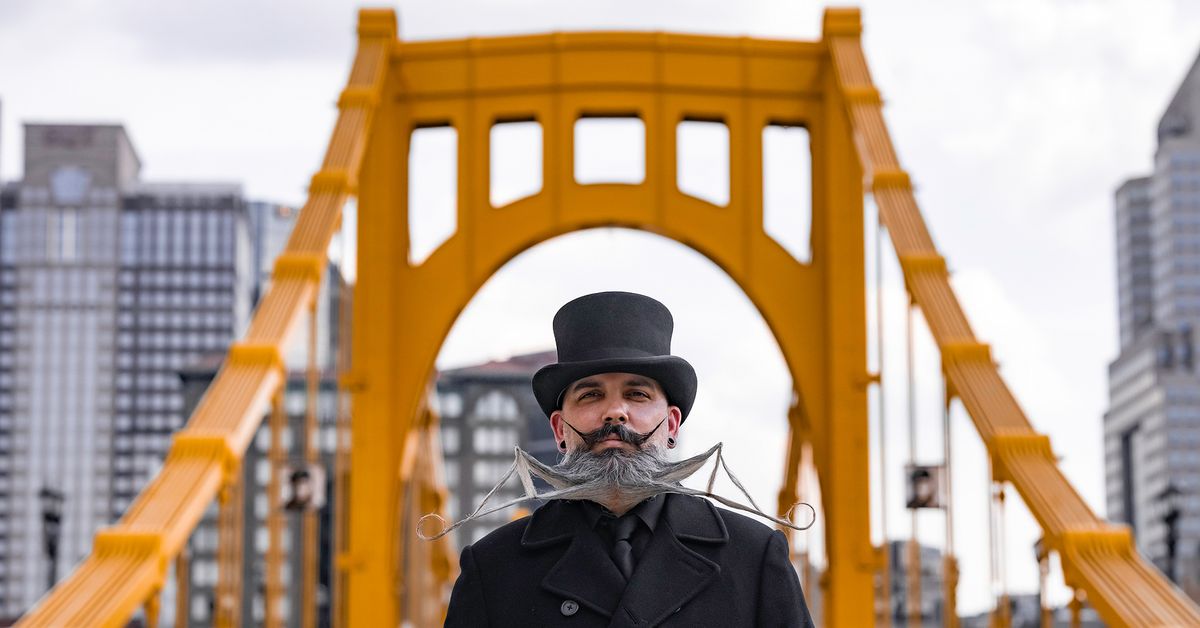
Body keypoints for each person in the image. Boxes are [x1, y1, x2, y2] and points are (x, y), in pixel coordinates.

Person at [444, 291, 814, 627]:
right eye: (590, 395)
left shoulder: (753, 555)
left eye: (636, 394)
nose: (615, 413)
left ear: (671, 425)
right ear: (559, 430)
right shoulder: (494, 567)